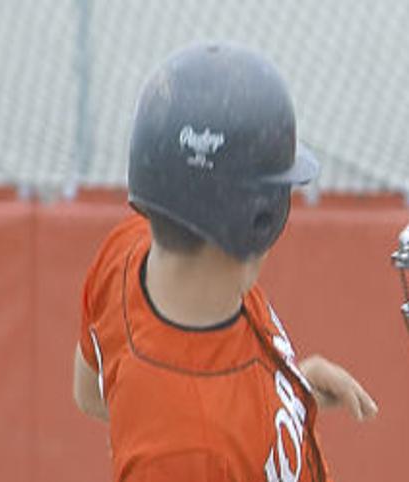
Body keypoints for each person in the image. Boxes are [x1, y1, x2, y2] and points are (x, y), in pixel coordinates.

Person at [73, 43, 378, 482]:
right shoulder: (181, 457)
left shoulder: (128, 248)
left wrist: (287, 391)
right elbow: (184, 426)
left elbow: (91, 393)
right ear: (258, 219)